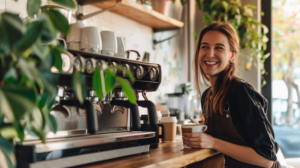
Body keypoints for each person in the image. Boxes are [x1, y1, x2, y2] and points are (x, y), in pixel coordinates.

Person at [182, 22, 281, 168]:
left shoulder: (240, 92)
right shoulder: (207, 96)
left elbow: (267, 159)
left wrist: (213, 142)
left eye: (219, 48)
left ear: (232, 55)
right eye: (205, 46)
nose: (210, 54)